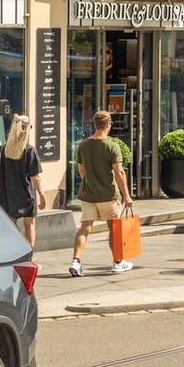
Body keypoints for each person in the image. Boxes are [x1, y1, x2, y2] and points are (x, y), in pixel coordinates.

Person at [70, 111, 133, 277]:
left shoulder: (84, 144)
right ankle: (118, 262)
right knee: (114, 228)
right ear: (108, 124)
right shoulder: (112, 146)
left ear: (94, 124)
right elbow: (119, 172)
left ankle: (76, 261)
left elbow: (81, 170)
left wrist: (90, 181)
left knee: (85, 227)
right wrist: (126, 195)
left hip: (88, 194)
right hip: (108, 195)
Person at [0, 114, 44, 246]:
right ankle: (29, 253)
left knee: (11, 225)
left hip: (7, 192)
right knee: (29, 225)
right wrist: (42, 195)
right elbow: (36, 176)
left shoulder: (5, 149)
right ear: (26, 130)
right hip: (26, 193)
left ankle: (14, 251)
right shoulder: (29, 150)